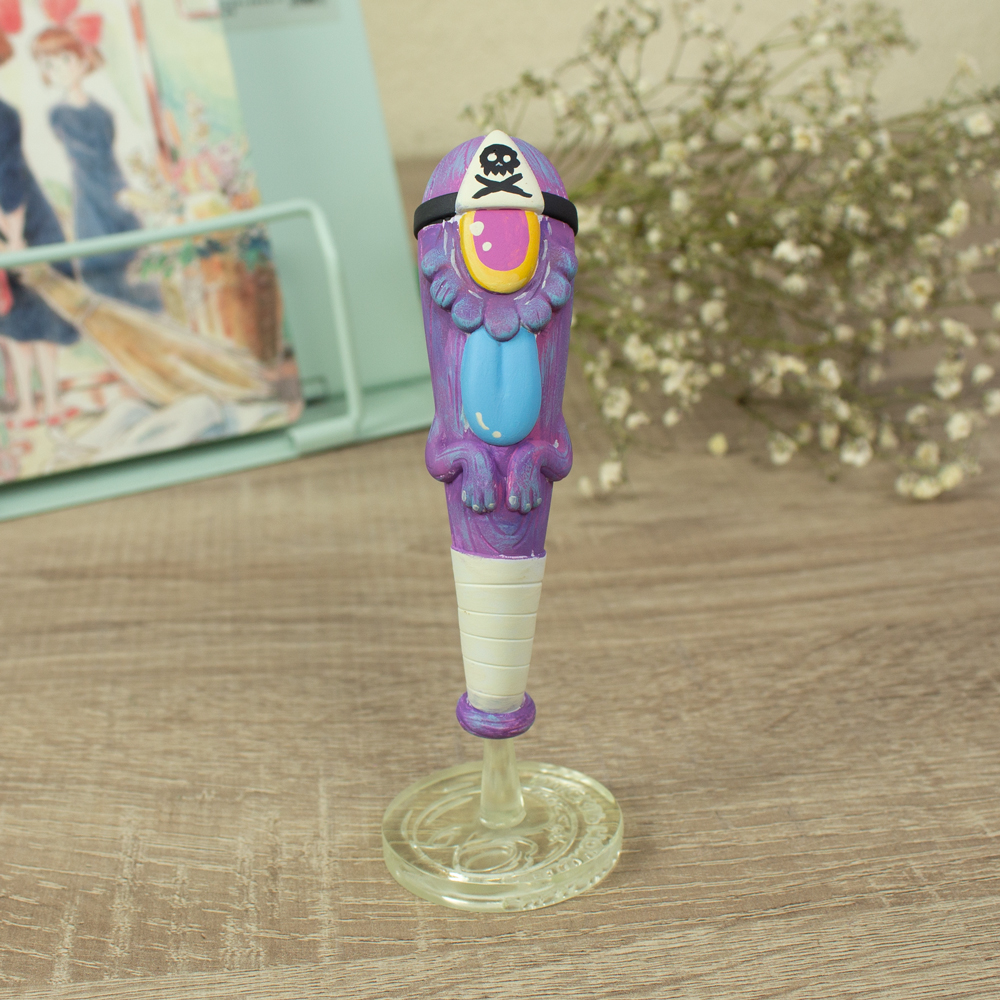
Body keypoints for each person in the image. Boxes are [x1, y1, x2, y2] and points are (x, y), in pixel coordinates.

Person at [33, 25, 161, 311]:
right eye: (50, 65)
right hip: (91, 201)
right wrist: (119, 194)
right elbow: (85, 162)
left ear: (82, 60)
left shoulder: (102, 113)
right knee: (104, 278)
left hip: (117, 194)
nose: (60, 70)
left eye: (65, 60)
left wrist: (124, 194)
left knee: (138, 272)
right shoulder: (59, 115)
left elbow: (108, 158)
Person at [0, 30, 80, 428]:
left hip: (27, 224)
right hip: (8, 231)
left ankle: (50, 402)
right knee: (12, 323)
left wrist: (14, 239)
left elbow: (10, 181)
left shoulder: (4, 115)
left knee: (43, 317)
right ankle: (29, 406)